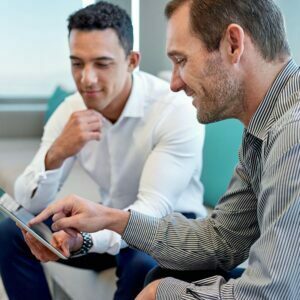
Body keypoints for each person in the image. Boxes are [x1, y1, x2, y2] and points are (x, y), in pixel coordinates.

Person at [27, 0, 300, 299]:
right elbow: (222, 240)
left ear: (233, 45)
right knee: (161, 275)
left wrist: (163, 293)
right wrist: (113, 219)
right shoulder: (260, 132)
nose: (174, 83)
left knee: (159, 280)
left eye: (181, 60)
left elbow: (273, 293)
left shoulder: (292, 132)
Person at [0, 2, 206, 300]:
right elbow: (25, 202)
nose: (87, 79)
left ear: (132, 61)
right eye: (77, 63)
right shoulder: (70, 109)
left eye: (101, 63)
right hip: (102, 220)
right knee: (10, 234)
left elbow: (150, 211)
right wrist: (55, 155)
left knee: (140, 262)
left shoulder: (173, 109)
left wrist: (84, 239)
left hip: (169, 228)